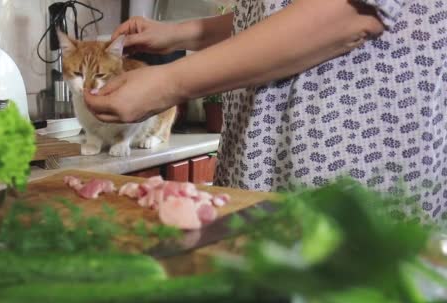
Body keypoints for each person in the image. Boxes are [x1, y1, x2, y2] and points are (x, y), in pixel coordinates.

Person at [84, 0, 447, 223]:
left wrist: (168, 84)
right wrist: (180, 34)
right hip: (270, 160)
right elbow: (278, 13)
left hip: (349, 153)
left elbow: (348, 15)